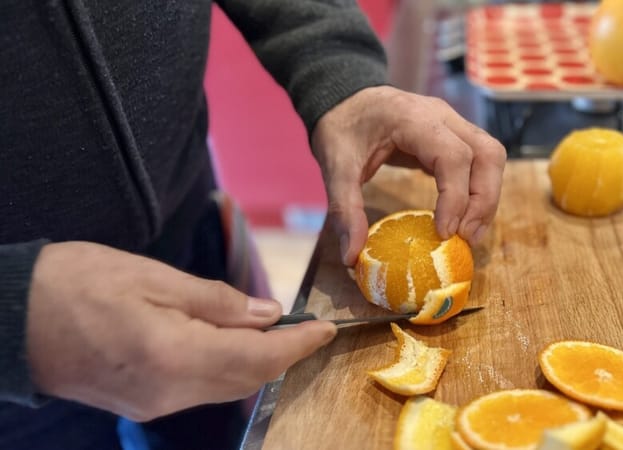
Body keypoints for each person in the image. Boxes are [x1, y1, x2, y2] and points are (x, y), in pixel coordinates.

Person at [0, 1, 505, 449]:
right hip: (22, 366)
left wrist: (339, 74)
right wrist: (14, 313)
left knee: (219, 428)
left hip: (186, 227)